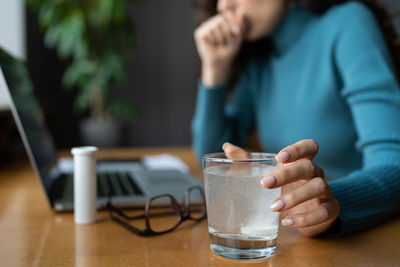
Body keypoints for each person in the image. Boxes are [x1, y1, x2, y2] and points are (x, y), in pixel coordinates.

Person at [191, 0, 400, 237]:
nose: (223, 6)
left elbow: (394, 165)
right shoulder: (261, 59)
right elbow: (212, 160)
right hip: (298, 237)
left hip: (373, 239)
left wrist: (327, 201)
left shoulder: (348, 23)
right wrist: (214, 69)